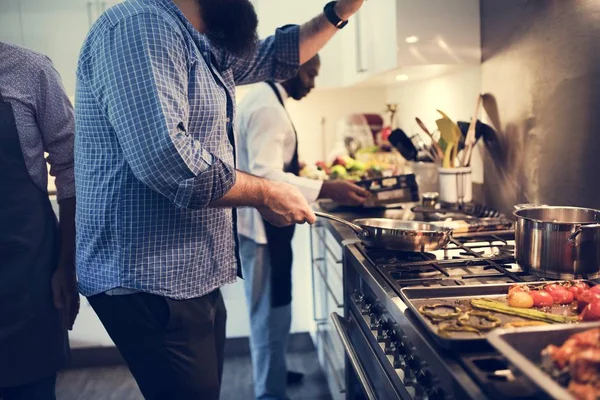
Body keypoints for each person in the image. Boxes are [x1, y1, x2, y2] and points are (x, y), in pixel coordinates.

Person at [75, 0, 365, 398]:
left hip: (190, 271)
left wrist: (339, 12)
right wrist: (264, 192)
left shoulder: (202, 41)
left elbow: (277, 55)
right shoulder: (140, 26)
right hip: (149, 276)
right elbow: (167, 160)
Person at [236, 55, 369, 400]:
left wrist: (307, 175)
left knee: (275, 308)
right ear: (291, 68)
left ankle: (274, 374)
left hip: (266, 228)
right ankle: (269, 392)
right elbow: (265, 176)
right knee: (268, 314)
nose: (312, 82)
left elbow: (269, 165)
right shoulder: (267, 106)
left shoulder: (267, 98)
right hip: (261, 230)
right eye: (310, 73)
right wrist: (327, 188)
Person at [0, 42, 79, 399]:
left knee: (29, 388)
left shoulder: (30, 71)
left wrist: (67, 264)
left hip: (25, 274)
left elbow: (72, 166)